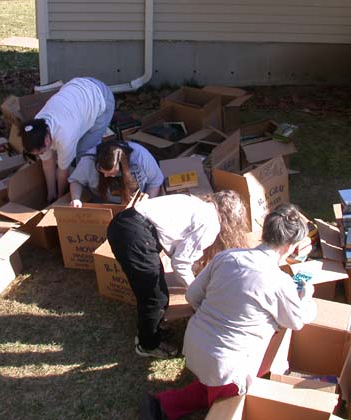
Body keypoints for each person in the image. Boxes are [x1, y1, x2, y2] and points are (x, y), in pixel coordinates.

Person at [140, 203, 318, 420]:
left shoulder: (227, 257)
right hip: (227, 365)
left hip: (195, 345)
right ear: (289, 246)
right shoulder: (280, 282)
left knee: (215, 387)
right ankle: (165, 405)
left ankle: (163, 404)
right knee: (229, 398)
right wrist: (307, 297)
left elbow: (192, 296)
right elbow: (297, 321)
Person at [107, 191, 250, 359]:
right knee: (156, 297)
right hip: (135, 234)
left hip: (125, 223)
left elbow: (178, 248)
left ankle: (153, 327)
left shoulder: (199, 205)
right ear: (230, 219)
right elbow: (180, 263)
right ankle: (147, 344)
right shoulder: (211, 224)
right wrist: (199, 293)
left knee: (150, 288)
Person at [20, 77, 115, 204]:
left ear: (47, 140)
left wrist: (59, 198)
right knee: (74, 148)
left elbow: (62, 172)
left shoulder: (64, 136)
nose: (39, 155)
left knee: (84, 153)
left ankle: (93, 194)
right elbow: (48, 163)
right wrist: (51, 194)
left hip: (101, 98)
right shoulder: (37, 126)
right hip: (78, 92)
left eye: (40, 152)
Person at [68, 140, 163, 207]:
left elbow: (155, 181)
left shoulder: (141, 157)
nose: (106, 176)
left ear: (123, 166)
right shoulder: (88, 160)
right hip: (102, 204)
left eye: (112, 173)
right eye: (102, 172)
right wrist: (76, 199)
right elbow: (76, 181)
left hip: (135, 205)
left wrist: (146, 204)